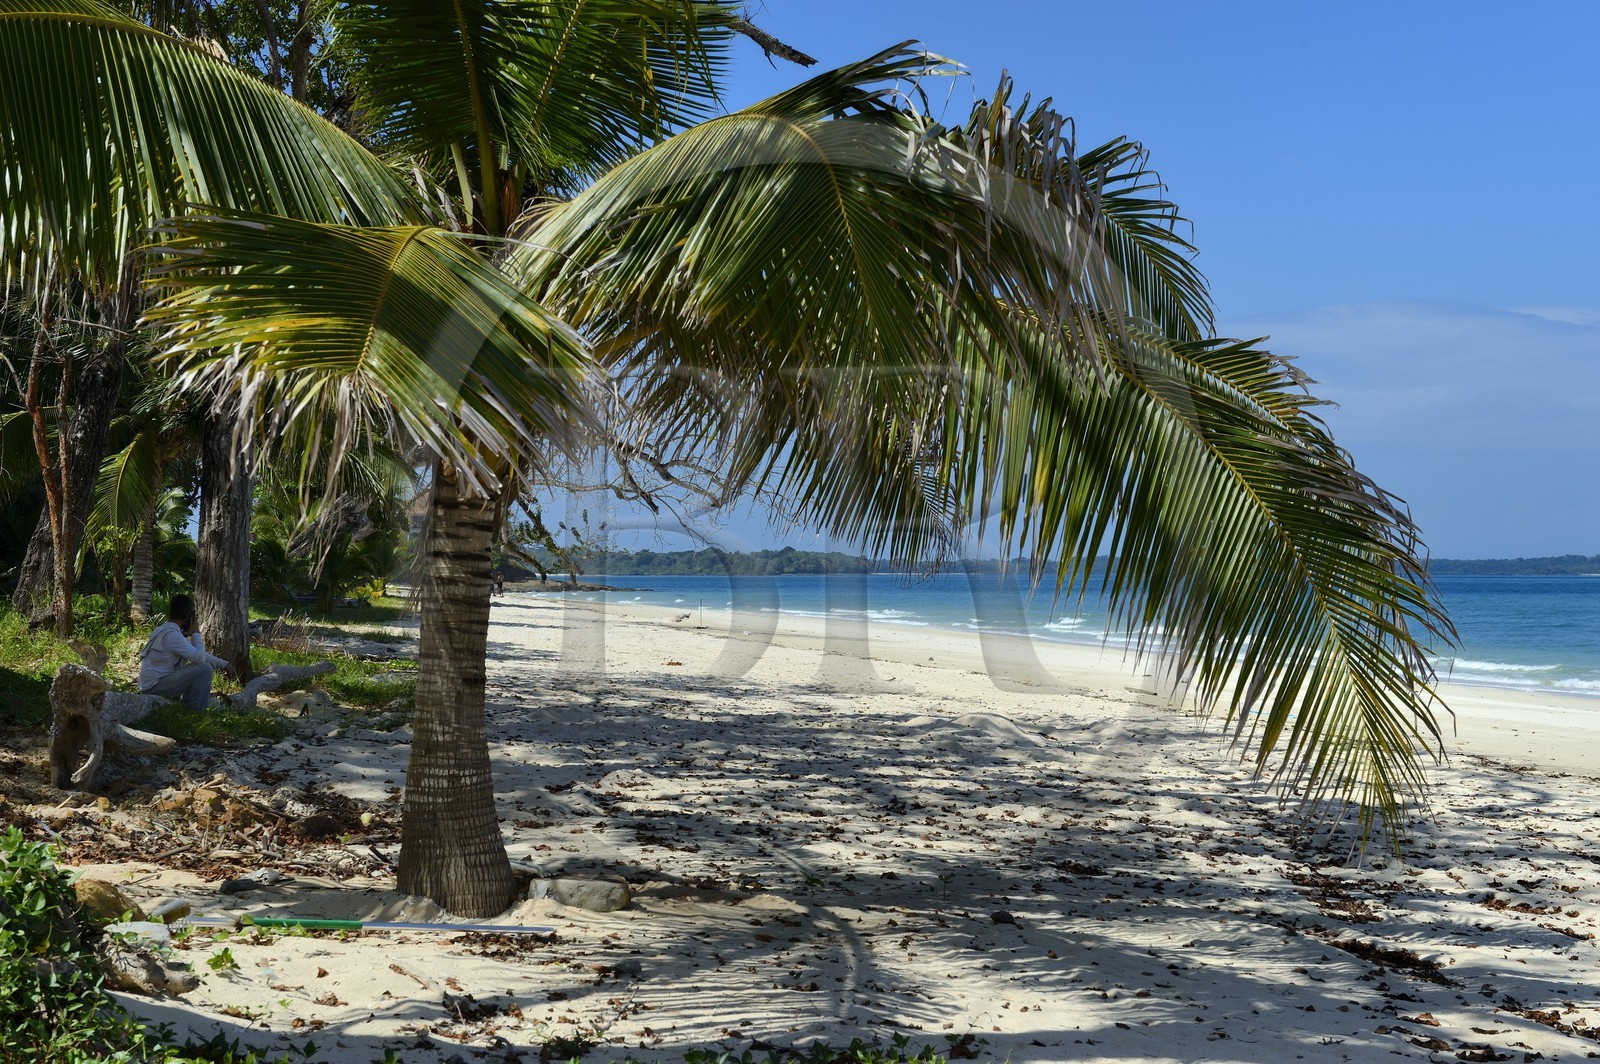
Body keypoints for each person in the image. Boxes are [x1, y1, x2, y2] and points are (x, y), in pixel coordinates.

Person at [137, 594, 228, 712]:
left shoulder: (165, 629)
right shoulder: (173, 635)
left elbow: (196, 654)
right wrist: (196, 633)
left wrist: (224, 665)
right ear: (189, 616)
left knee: (201, 667)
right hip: (154, 688)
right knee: (204, 669)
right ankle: (194, 711)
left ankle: (188, 706)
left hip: (153, 685)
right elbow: (200, 658)